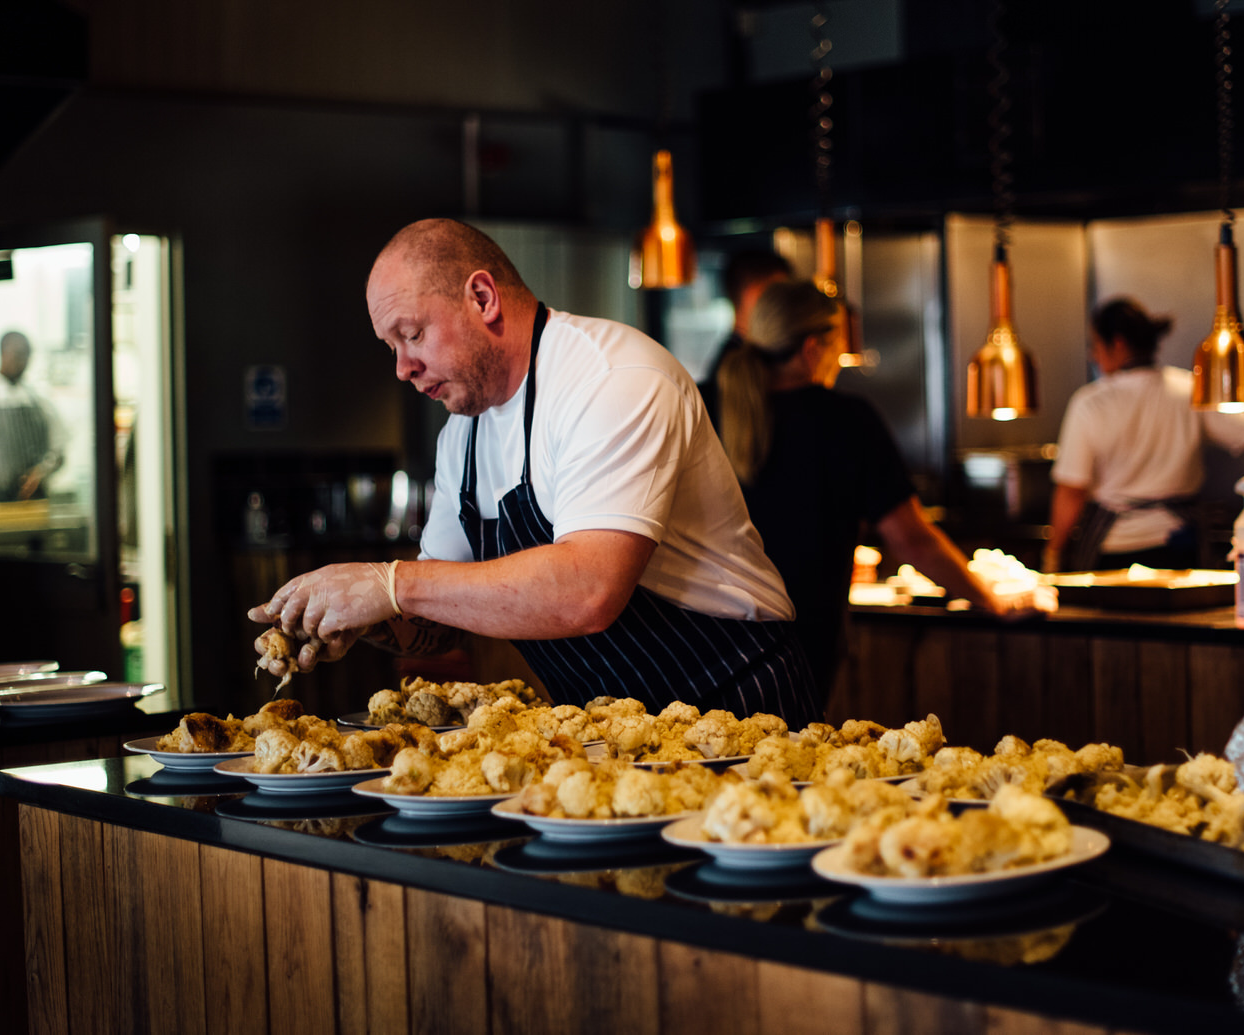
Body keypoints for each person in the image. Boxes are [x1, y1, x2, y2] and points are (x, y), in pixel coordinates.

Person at [249, 219, 818, 722]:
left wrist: (391, 582)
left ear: (482, 297)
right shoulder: (461, 438)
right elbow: (438, 620)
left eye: (413, 334)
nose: (402, 368)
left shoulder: (612, 378)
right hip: (600, 729)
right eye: (390, 346)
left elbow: (588, 590)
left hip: (732, 706)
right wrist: (364, 617)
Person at [711, 280, 1017, 700]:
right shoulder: (844, 420)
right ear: (812, 349)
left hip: (705, 643)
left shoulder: (707, 404)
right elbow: (911, 540)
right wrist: (991, 600)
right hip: (798, 644)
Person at [1043, 297, 1244, 573]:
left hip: (1114, 553)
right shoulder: (1188, 389)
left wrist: (1054, 552)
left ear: (1118, 343)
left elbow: (1072, 491)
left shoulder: (1090, 403)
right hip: (1179, 551)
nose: (1093, 355)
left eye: (1095, 345)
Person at [697, 249, 792, 414]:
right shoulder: (741, 366)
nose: (786, 306)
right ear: (752, 296)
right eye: (777, 296)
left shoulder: (729, 358)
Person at [0, 331, 67, 502]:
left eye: (26, 355)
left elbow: (59, 447)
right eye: (17, 354)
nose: (22, 361)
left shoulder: (38, 400)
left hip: (36, 497)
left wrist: (41, 472)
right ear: (3, 353)